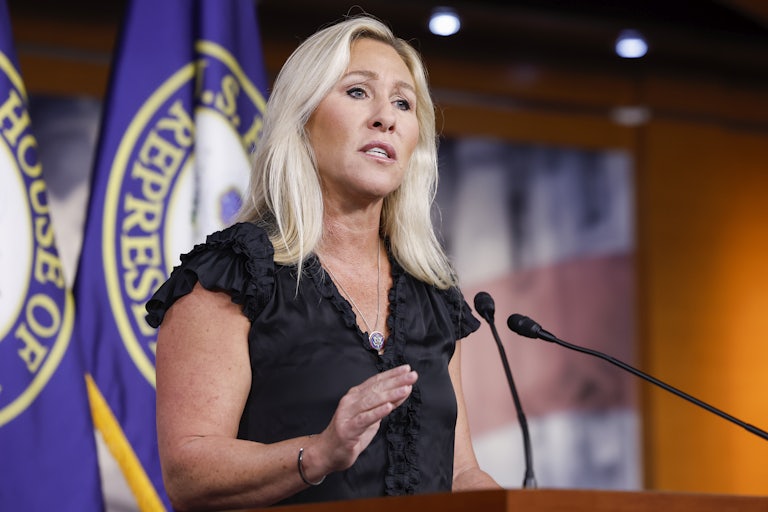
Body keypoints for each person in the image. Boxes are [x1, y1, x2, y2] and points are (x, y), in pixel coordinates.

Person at [146, 14, 500, 511]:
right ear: (302, 116)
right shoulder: (234, 274)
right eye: (358, 92)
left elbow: (459, 472)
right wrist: (318, 453)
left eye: (403, 102)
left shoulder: (434, 294)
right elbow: (189, 472)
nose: (386, 117)